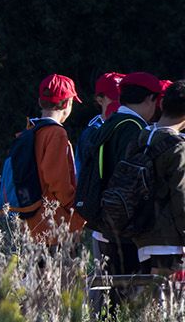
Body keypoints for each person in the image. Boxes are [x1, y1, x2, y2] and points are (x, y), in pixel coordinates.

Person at [76, 71, 164, 276]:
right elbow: (131, 179)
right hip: (122, 226)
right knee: (126, 290)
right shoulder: (133, 128)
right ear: (151, 98)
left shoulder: (111, 121)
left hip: (103, 218)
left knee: (110, 288)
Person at [0, 75, 84, 244]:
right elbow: (56, 179)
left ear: (40, 102)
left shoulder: (31, 130)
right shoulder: (56, 133)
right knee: (56, 270)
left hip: (29, 222)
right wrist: (74, 205)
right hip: (53, 225)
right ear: (67, 104)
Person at [135, 82, 185, 274]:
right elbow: (180, 195)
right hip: (170, 239)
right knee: (168, 299)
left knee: (151, 295)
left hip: (142, 233)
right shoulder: (178, 147)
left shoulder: (142, 135)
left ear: (162, 104)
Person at [76, 71, 126, 166]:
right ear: (99, 100)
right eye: (114, 98)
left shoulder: (131, 127)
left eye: (123, 97)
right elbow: (81, 171)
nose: (119, 102)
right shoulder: (92, 133)